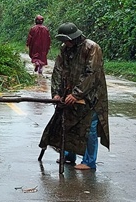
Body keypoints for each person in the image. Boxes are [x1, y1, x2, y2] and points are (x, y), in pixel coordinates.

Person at [37, 22, 110, 170]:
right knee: (68, 125)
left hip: (91, 97)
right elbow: (58, 70)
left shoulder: (92, 48)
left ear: (75, 38)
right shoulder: (65, 50)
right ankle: (69, 155)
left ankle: (89, 161)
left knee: (90, 128)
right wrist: (56, 93)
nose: (66, 44)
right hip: (68, 94)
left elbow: (92, 74)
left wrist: (77, 94)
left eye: (67, 41)